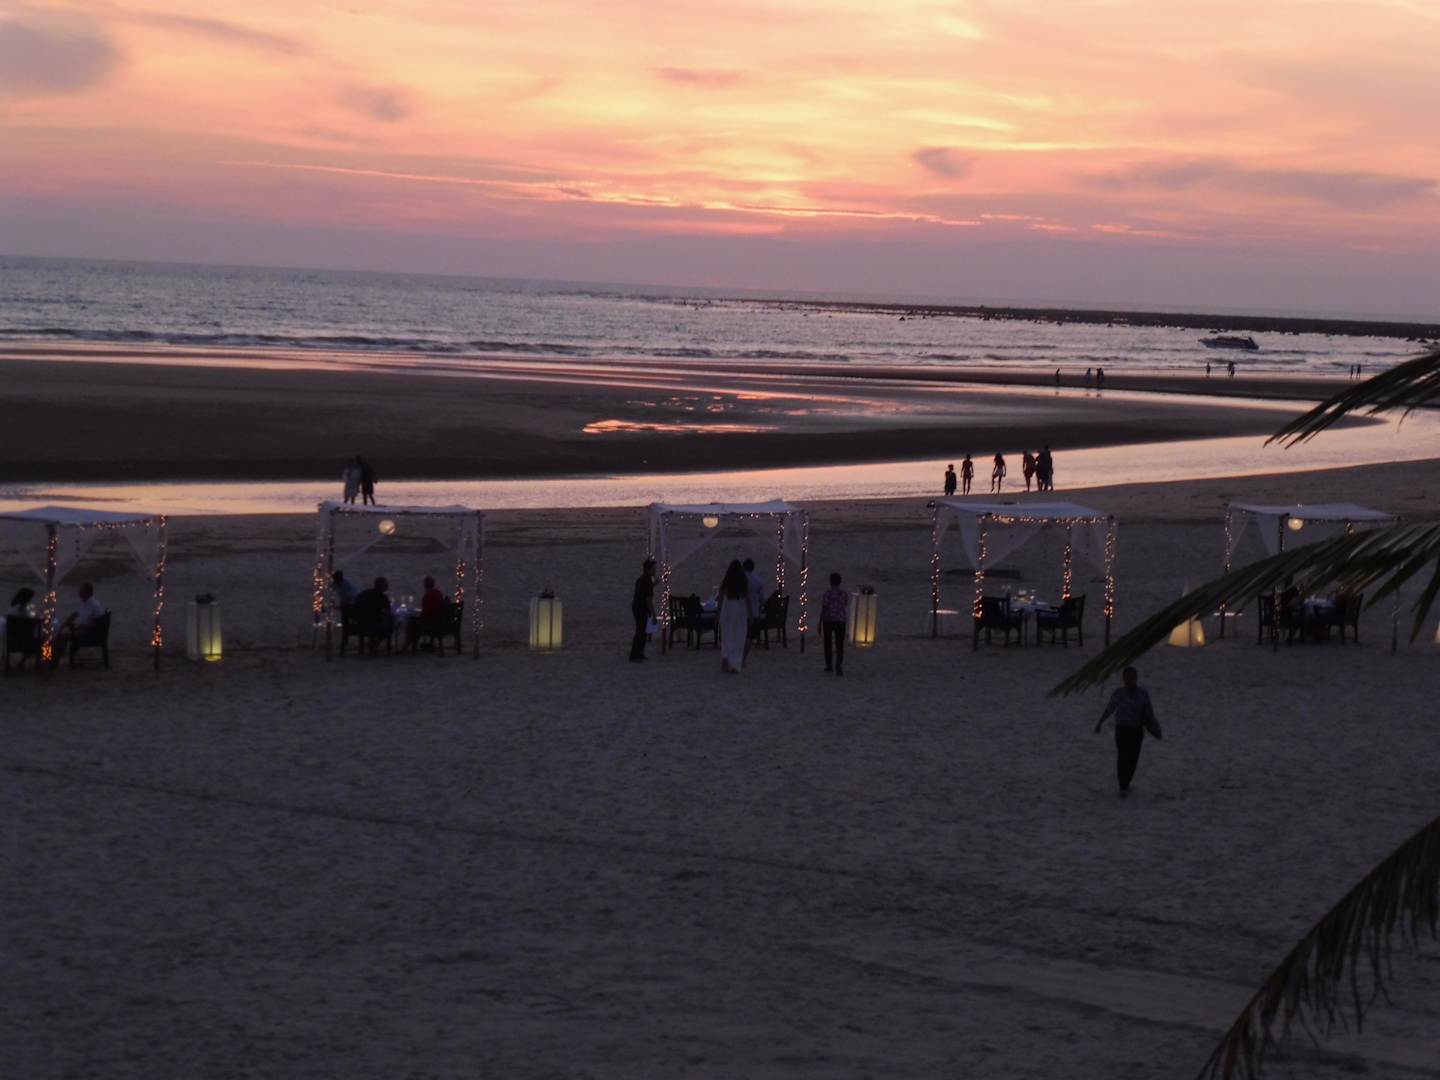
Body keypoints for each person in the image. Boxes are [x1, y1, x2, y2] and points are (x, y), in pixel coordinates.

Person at [1094, 666, 1161, 795]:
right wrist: (1100, 722)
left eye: (1132, 677)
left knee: (1133, 758)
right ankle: (1122, 786)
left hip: (1137, 730)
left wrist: (1156, 727)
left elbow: (1149, 712)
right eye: (1127, 678)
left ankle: (1126, 782)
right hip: (1122, 730)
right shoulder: (1118, 693)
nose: (1129, 680)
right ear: (1123, 679)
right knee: (1122, 757)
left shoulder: (1143, 694)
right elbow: (1109, 709)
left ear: (1136, 678)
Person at [717, 559, 756, 674]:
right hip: (739, 609)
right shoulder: (743, 582)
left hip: (727, 608)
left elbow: (720, 599)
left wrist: (718, 613)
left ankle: (725, 659)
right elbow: (747, 599)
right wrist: (750, 615)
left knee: (727, 635)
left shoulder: (725, 582)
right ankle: (735, 663)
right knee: (739, 636)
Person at [51, 582, 104, 656]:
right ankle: (57, 654)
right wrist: (65, 624)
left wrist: (78, 627)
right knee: (60, 632)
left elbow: (96, 625)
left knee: (61, 636)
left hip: (89, 633)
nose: (79, 593)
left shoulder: (94, 605)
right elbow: (75, 614)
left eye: (81, 591)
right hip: (83, 630)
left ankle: (56, 655)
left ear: (87, 593)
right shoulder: (87, 603)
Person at [820, 572, 848, 676]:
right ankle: (838, 665)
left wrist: (820, 621)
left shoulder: (827, 594)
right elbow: (845, 604)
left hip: (828, 620)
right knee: (839, 644)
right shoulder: (844, 594)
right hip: (840, 620)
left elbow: (824, 608)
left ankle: (829, 665)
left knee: (827, 643)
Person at [352, 576, 393, 648]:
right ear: (381, 585)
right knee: (390, 623)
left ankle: (373, 643)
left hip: (360, 624)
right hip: (373, 625)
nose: (387, 586)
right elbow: (388, 612)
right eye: (385, 584)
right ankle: (376, 643)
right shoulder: (383, 597)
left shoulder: (364, 594)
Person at [629, 558, 655, 661]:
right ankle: (635, 654)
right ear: (648, 570)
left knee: (640, 631)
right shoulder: (647, 581)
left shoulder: (641, 579)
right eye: (653, 569)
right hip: (641, 609)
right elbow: (648, 599)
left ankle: (638, 653)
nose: (655, 571)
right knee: (641, 632)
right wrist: (653, 614)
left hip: (636, 607)